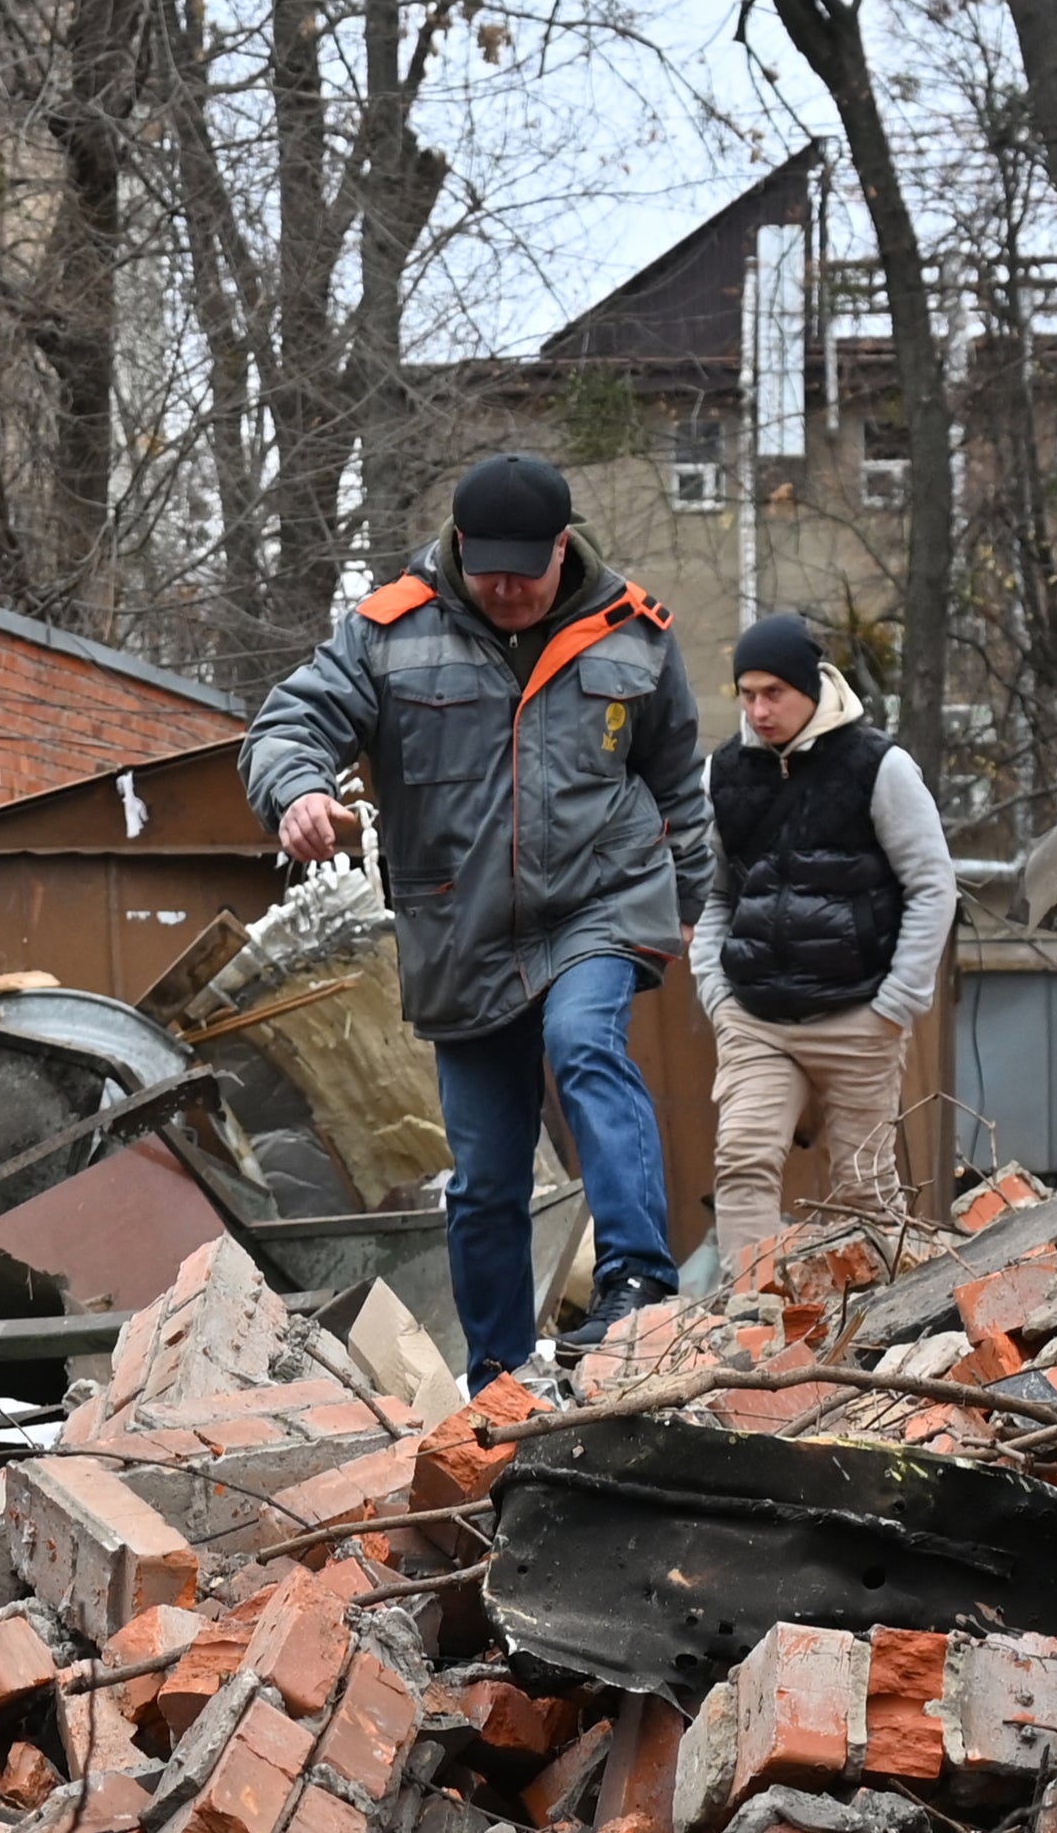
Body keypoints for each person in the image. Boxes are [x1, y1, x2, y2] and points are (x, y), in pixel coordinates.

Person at [240, 452, 710, 1384]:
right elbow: (287, 727)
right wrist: (295, 793)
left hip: (597, 900)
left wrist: (686, 901)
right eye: (488, 566)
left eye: (524, 571)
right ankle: (499, 1377)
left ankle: (634, 1283)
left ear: (561, 548)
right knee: (489, 1174)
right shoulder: (387, 634)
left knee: (584, 1044)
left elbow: (676, 784)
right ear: (458, 545)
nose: (505, 588)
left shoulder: (633, 636)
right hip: (460, 929)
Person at [691, 610, 956, 1272]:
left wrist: (895, 1004)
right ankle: (747, 1321)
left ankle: (877, 1341)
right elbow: (711, 895)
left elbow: (932, 886)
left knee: (865, 1187)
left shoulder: (878, 767)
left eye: (772, 693)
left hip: (858, 1014)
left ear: (812, 687)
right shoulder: (722, 774)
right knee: (743, 1160)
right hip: (755, 1019)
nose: (757, 709)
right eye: (746, 695)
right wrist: (718, 998)